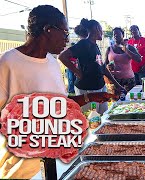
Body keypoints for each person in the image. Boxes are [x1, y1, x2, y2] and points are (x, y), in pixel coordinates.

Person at [0, 5, 118, 179]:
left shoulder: (52, 62)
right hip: (24, 170)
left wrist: (88, 97)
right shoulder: (7, 63)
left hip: (58, 162)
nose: (67, 39)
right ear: (48, 30)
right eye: (64, 33)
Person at [59, 18, 125, 114]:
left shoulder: (95, 46)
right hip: (87, 89)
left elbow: (103, 68)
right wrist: (77, 72)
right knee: (92, 119)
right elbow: (62, 56)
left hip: (100, 86)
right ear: (96, 29)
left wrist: (117, 85)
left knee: (104, 115)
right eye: (101, 29)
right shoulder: (84, 44)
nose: (102, 32)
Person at [106, 27, 141, 91]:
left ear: (123, 35)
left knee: (130, 100)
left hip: (129, 80)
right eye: (114, 34)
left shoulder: (130, 47)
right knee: (115, 100)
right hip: (114, 81)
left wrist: (127, 51)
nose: (116, 36)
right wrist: (108, 66)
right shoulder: (109, 49)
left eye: (118, 34)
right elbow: (105, 64)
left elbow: (139, 59)